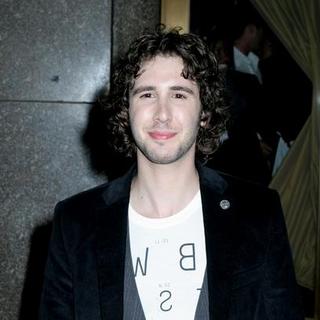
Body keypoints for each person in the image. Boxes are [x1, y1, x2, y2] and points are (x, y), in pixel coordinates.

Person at [39, 27, 304, 319]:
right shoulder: (75, 223)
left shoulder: (258, 213)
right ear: (126, 111)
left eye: (179, 94)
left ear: (204, 113)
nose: (162, 113)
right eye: (147, 94)